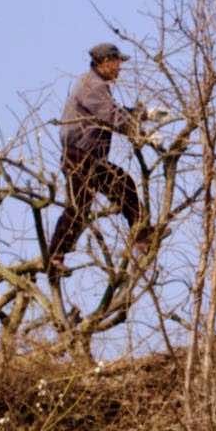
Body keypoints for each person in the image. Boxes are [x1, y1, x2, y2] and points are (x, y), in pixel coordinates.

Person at [49, 41, 145, 267]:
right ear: (104, 62)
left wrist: (144, 114)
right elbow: (112, 116)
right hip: (80, 155)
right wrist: (139, 132)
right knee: (84, 205)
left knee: (117, 189)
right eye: (117, 63)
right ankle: (54, 256)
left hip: (86, 156)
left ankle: (140, 238)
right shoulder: (92, 85)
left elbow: (114, 112)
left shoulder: (96, 84)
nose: (119, 68)